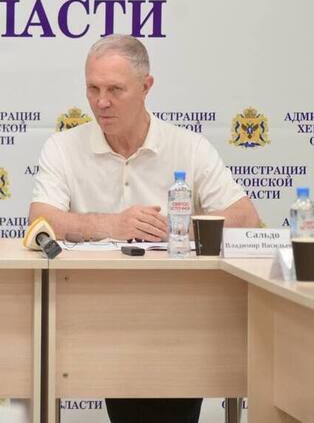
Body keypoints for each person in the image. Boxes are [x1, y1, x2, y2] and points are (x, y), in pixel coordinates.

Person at [29, 34, 260, 423]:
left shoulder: (188, 146)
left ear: (146, 86)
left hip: (177, 316)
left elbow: (246, 217)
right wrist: (112, 224)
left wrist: (177, 230)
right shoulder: (63, 147)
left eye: (115, 90)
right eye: (93, 89)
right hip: (92, 313)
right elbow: (41, 219)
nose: (101, 102)